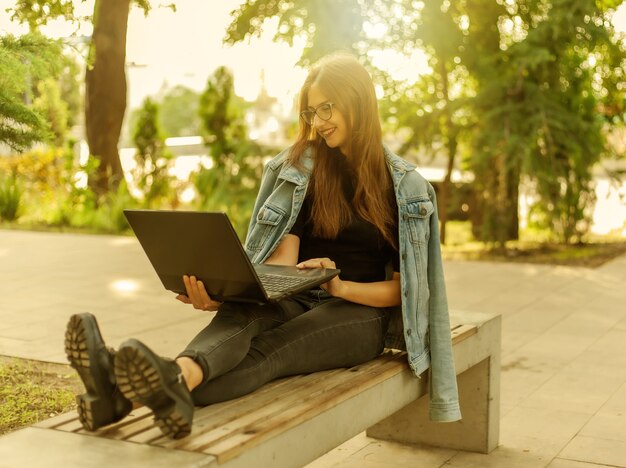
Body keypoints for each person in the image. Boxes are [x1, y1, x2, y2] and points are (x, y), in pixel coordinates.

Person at [64, 53, 461, 440]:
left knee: (272, 350)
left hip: (360, 313)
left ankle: (117, 388)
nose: (318, 122)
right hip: (300, 295)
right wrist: (233, 292)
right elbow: (282, 260)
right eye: (310, 113)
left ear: (358, 101)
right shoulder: (300, 169)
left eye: (327, 109)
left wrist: (338, 284)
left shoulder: (406, 188)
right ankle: (158, 385)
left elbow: (406, 293)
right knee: (242, 316)